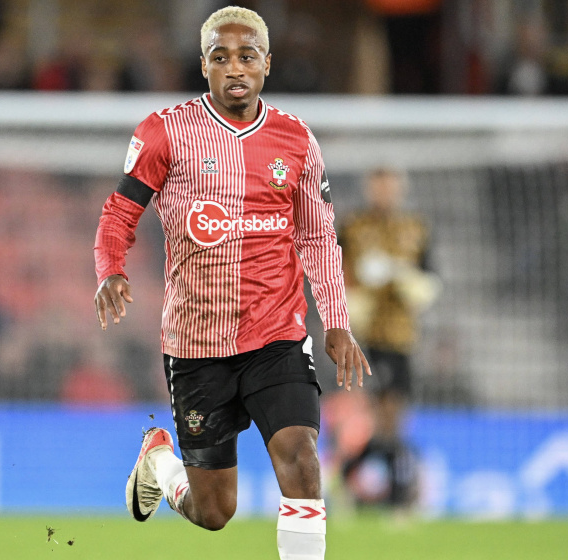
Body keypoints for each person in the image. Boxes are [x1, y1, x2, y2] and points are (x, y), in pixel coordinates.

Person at [93, 7, 370, 560]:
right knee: (215, 511)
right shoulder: (164, 132)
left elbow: (318, 237)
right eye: (221, 58)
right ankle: (160, 462)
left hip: (277, 335)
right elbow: (117, 214)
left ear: (267, 64)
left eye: (247, 57)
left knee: (302, 457)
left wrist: (337, 321)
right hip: (198, 344)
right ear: (204, 66)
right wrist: (111, 271)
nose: (235, 68)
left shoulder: (296, 140)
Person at [336, 168, 439, 513]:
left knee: (393, 419)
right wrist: (350, 303)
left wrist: (405, 277)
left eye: (390, 186)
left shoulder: (416, 227)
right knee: (387, 414)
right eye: (379, 185)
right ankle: (398, 496)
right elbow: (335, 271)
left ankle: (346, 478)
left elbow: (429, 280)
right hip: (369, 336)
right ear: (370, 187)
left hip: (404, 335)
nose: (385, 192)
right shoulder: (353, 226)